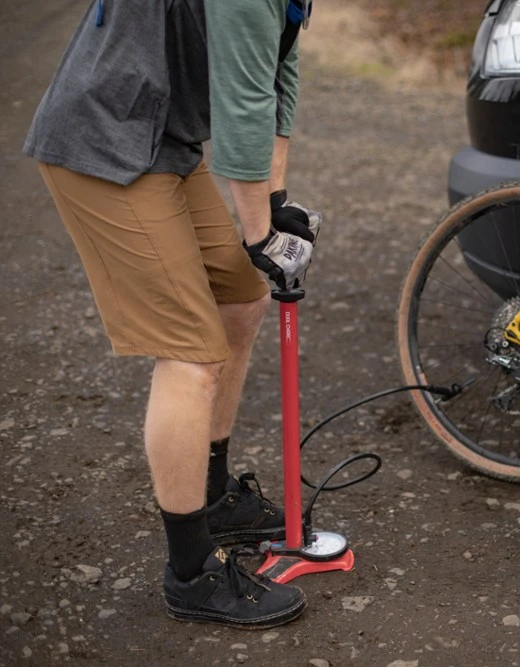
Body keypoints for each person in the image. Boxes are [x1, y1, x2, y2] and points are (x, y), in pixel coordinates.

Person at [24, 0, 320, 628]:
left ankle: (212, 497)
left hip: (166, 142)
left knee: (240, 295)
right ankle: (191, 572)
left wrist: (274, 201)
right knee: (192, 353)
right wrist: (262, 235)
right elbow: (242, 104)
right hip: (105, 141)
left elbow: (278, 74)